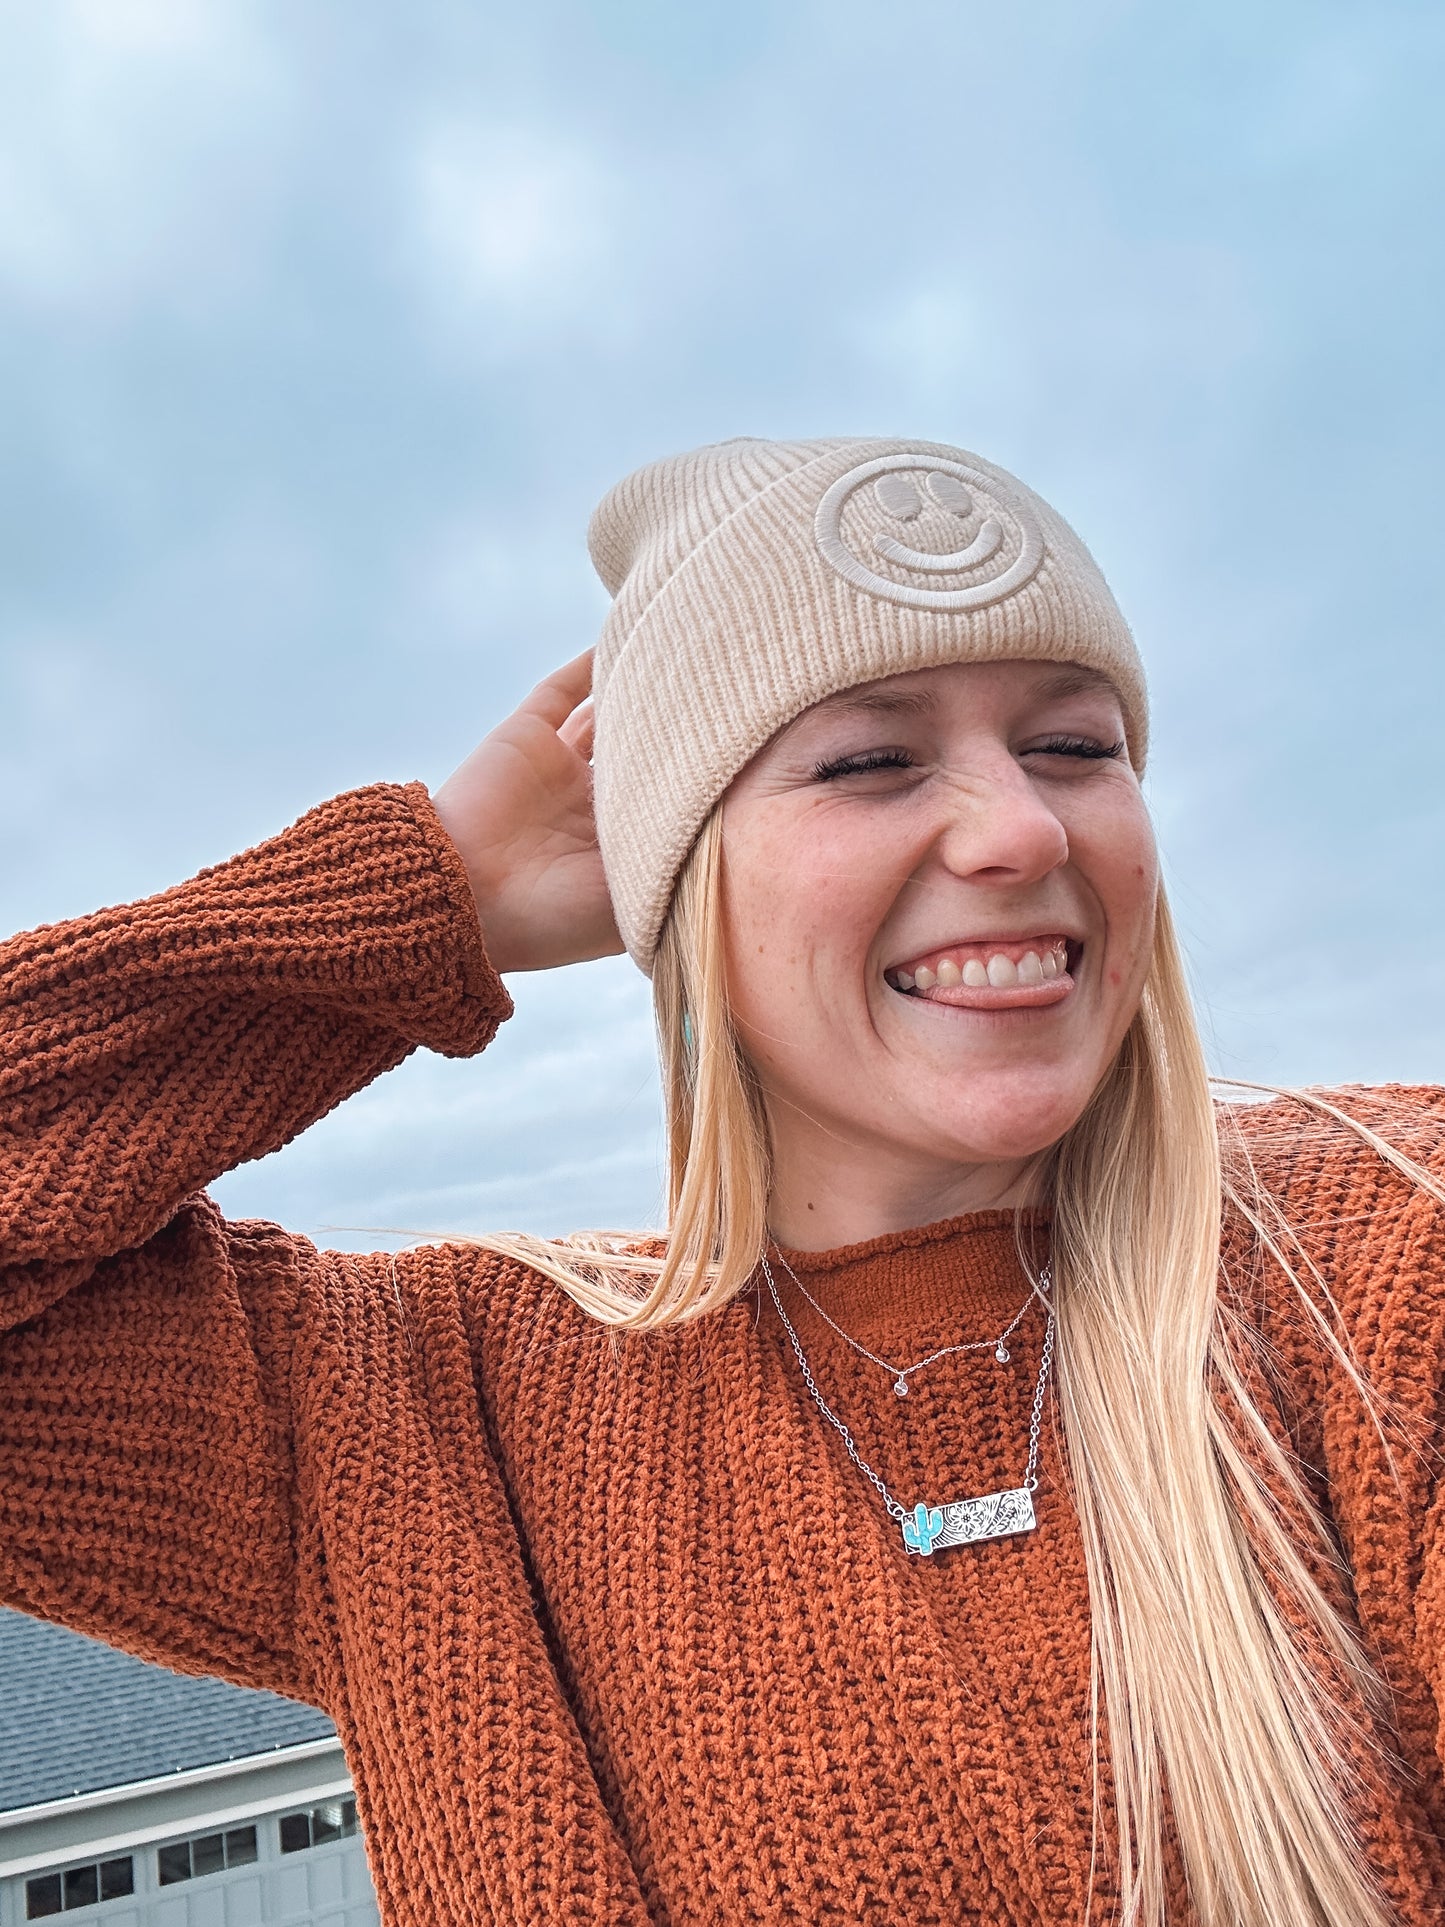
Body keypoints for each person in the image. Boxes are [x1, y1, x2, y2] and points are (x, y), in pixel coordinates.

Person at [2, 436, 1442, 1927]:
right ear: (684, 882)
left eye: (1074, 747)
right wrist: (430, 895)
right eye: (870, 760)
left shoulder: (1386, 1250)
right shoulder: (416, 1429)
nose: (1021, 827)